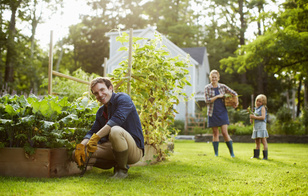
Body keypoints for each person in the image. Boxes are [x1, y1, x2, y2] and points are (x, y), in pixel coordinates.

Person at [73, 77, 144, 179]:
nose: (100, 95)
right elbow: (93, 131)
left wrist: (96, 137)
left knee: (115, 130)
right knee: (76, 154)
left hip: (133, 150)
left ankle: (122, 170)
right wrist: (81, 146)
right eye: (96, 93)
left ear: (110, 88)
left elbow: (116, 121)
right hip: (112, 148)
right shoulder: (101, 112)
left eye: (102, 90)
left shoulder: (123, 99)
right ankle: (113, 163)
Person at [204, 70, 238, 157]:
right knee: (215, 133)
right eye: (212, 77)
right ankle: (216, 153)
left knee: (224, 132)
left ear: (218, 78)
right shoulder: (207, 88)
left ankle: (232, 153)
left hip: (222, 112)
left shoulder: (222, 87)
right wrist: (217, 96)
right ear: (210, 78)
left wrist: (236, 102)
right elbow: (207, 101)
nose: (214, 79)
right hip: (212, 113)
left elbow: (234, 93)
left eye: (215, 77)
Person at [250, 94, 269, 160]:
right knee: (257, 141)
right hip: (256, 126)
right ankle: (256, 155)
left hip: (261, 126)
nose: (258, 102)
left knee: (263, 140)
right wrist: (252, 118)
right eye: (257, 101)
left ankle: (265, 156)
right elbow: (254, 119)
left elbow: (263, 117)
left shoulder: (262, 108)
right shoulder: (256, 109)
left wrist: (254, 117)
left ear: (263, 102)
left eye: (260, 101)